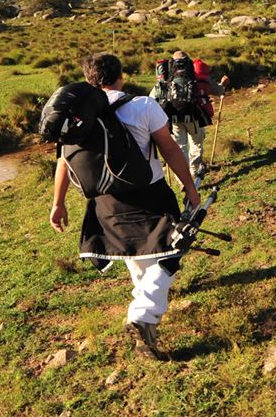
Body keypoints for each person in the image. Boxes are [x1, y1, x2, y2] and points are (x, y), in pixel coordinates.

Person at [49, 52, 202, 361]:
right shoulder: (142, 105)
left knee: (134, 251)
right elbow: (170, 149)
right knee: (171, 254)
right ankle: (143, 316)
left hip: (104, 202)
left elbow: (64, 162)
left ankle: (144, 301)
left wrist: (58, 203)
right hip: (150, 194)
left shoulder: (78, 116)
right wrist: (189, 187)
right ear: (121, 75)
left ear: (90, 79)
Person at [150, 50, 229, 180]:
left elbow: (152, 98)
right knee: (196, 143)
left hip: (174, 118)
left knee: (180, 147)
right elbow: (218, 90)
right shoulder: (196, 75)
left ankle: (182, 178)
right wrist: (223, 85)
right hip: (193, 117)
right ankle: (195, 170)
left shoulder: (166, 77)